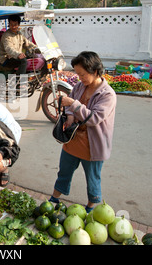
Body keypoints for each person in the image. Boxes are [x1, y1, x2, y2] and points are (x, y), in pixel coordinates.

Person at [48, 51, 117, 213]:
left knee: (93, 179)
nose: (80, 78)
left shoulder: (107, 95)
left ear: (95, 71)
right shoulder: (80, 86)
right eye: (78, 74)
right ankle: (54, 198)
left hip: (92, 145)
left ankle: (91, 208)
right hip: (72, 140)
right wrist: (70, 115)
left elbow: (93, 118)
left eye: (83, 74)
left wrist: (73, 104)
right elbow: (69, 106)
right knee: (64, 171)